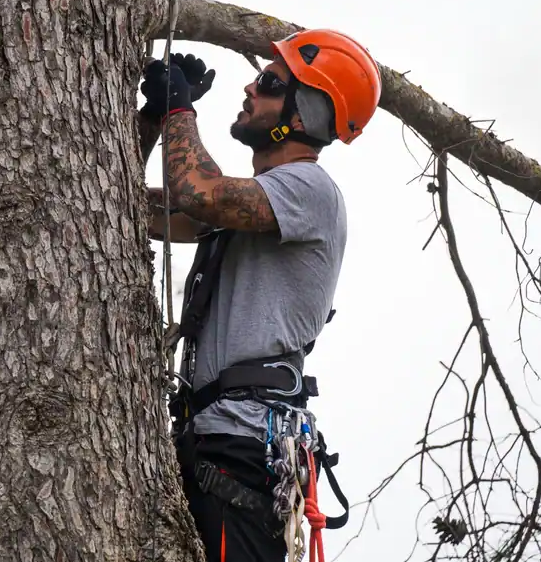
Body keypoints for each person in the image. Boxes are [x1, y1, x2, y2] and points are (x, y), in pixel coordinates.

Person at [136, 29, 382, 562]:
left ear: (307, 113)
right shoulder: (251, 215)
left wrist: (181, 111)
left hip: (246, 449)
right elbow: (117, 203)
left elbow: (197, 191)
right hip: (211, 439)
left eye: (270, 83)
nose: (250, 87)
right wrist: (154, 119)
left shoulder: (309, 191)